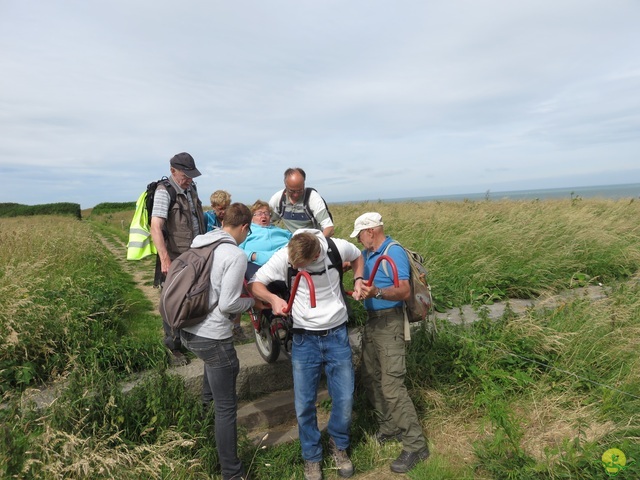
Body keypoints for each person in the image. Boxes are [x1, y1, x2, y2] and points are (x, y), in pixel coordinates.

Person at [249, 230, 363, 480]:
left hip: (337, 335)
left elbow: (357, 257)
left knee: (344, 399)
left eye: (300, 265)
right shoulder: (285, 256)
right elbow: (254, 284)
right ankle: (312, 457)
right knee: (304, 405)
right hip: (304, 340)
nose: (293, 267)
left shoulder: (335, 247)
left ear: (316, 255)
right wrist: (273, 299)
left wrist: (358, 279)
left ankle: (339, 446)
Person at [180, 203, 257, 480]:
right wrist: (253, 302)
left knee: (209, 392)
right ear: (245, 227)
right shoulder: (234, 254)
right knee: (226, 409)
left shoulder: (200, 243)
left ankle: (199, 444)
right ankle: (232, 473)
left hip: (188, 330)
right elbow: (228, 304)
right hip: (213, 336)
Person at [350, 212, 430, 474]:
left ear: (371, 231)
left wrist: (378, 292)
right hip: (374, 322)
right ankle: (390, 428)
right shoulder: (371, 253)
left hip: (390, 323)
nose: (360, 241)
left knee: (392, 385)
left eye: (361, 235)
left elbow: (404, 290)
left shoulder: (392, 251)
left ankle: (416, 445)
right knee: (371, 376)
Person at [150, 152, 206, 366]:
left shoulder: (191, 188)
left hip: (195, 252)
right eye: (185, 175)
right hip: (175, 256)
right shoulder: (165, 192)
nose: (189, 179)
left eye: (192, 175)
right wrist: (165, 259)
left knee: (195, 296)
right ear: (173, 171)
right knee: (173, 300)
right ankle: (173, 346)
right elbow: (156, 227)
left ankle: (192, 338)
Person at [268, 167, 334, 237]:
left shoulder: (313, 198)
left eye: (300, 190)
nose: (296, 195)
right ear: (285, 185)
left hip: (314, 241)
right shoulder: (278, 199)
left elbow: (329, 229)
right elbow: (266, 222)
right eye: (291, 191)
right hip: (290, 242)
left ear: (304, 184)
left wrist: (317, 244)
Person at [239, 200, 292, 280]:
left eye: (266, 213)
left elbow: (295, 241)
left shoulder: (280, 231)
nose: (263, 216)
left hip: (284, 261)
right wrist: (253, 256)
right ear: (252, 217)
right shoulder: (247, 231)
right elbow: (237, 249)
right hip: (257, 263)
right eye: (259, 214)